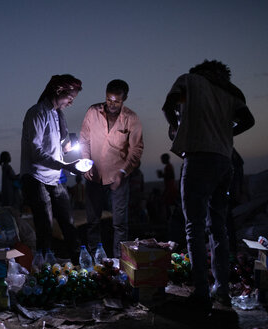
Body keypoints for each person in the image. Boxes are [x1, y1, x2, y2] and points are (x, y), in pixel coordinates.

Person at [163, 59, 255, 312]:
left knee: (193, 226)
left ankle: (202, 291)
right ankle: (222, 291)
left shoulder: (189, 80)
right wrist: (224, 134)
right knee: (219, 226)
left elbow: (167, 106)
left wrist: (180, 128)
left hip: (198, 158)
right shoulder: (230, 91)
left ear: (199, 71)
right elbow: (248, 121)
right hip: (224, 160)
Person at [20, 74, 85, 260]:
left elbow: (56, 149)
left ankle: (79, 261)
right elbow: (36, 152)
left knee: (68, 221)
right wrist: (64, 165)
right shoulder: (37, 113)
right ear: (58, 91)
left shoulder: (57, 116)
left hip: (54, 176)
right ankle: (44, 267)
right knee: (45, 226)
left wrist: (67, 149)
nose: (71, 103)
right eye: (70, 98)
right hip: (35, 177)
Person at [79, 79, 144, 257]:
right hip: (93, 177)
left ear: (125, 99)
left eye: (117, 101)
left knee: (120, 223)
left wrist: (123, 172)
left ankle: (118, 261)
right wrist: (85, 162)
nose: (112, 104)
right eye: (109, 100)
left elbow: (136, 149)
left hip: (119, 178)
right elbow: (84, 139)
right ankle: (94, 258)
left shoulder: (131, 118)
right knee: (92, 221)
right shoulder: (93, 112)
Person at [156, 153, 179, 220]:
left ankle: (170, 219)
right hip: (170, 188)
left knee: (168, 205)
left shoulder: (168, 167)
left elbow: (169, 176)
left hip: (170, 189)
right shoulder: (169, 166)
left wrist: (162, 175)